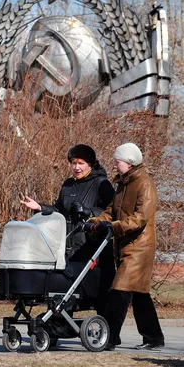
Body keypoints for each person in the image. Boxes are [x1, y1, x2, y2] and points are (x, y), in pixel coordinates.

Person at [20, 144, 115, 316]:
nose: (76, 167)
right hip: (70, 243)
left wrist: (89, 212)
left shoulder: (102, 184)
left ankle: (108, 330)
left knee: (96, 288)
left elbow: (110, 211)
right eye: (73, 163)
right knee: (67, 288)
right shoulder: (68, 185)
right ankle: (61, 324)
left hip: (92, 244)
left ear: (90, 164)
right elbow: (59, 211)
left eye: (81, 163)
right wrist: (39, 207)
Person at [88, 142, 165, 351]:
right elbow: (111, 211)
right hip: (124, 245)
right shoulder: (122, 185)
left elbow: (140, 218)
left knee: (119, 289)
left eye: (118, 161)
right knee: (139, 294)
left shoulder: (145, 184)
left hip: (140, 247)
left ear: (129, 163)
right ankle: (154, 338)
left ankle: (108, 339)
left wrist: (115, 227)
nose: (114, 164)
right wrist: (95, 222)